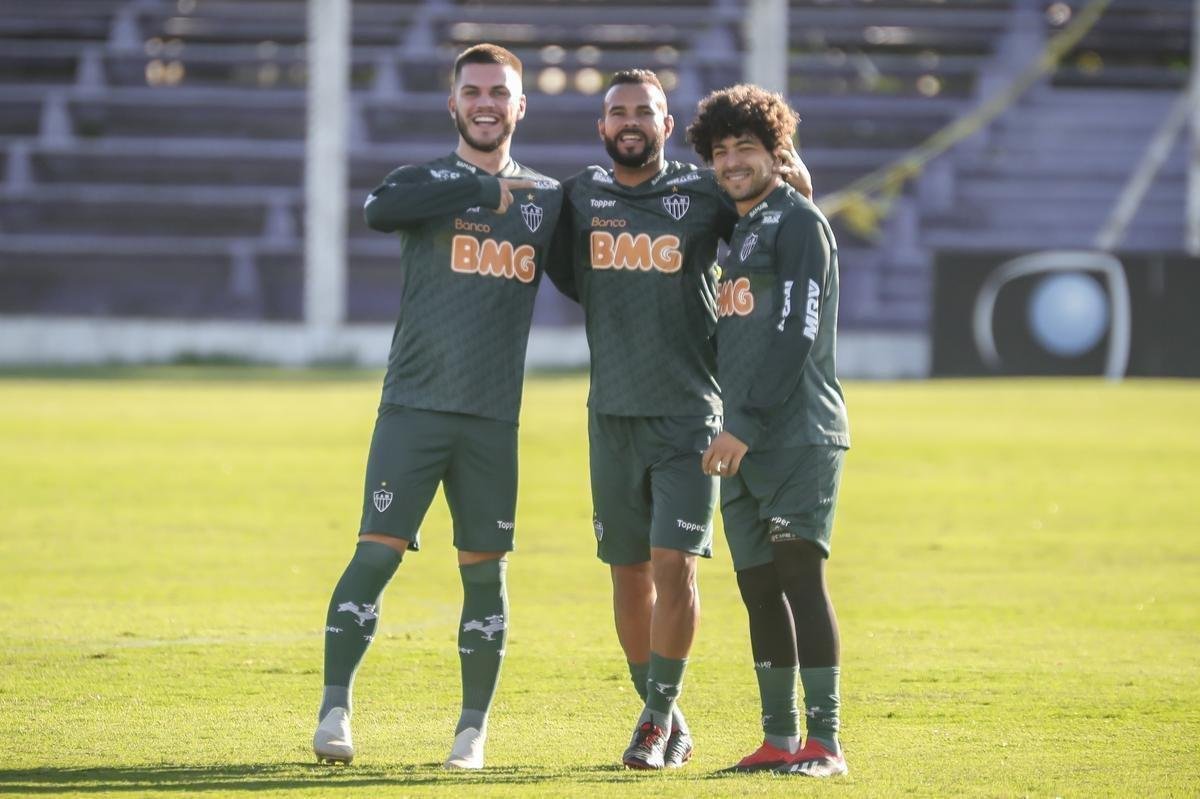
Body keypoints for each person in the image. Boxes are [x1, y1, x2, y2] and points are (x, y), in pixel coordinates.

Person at [546, 70, 811, 770]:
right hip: (609, 417)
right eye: (617, 112)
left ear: (668, 127)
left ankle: (656, 720)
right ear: (602, 127)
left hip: (690, 415)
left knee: (675, 565)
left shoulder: (702, 192)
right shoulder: (580, 197)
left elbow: (773, 217)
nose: (630, 121)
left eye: (646, 111)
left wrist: (795, 177)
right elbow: (571, 277)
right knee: (627, 575)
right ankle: (664, 713)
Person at [311, 43, 561, 771]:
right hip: (414, 407)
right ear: (452, 104)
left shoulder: (548, 197)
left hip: (491, 419)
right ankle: (334, 710)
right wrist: (477, 192)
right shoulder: (424, 181)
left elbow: (595, 266)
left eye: (500, 92)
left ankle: (471, 731)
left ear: (521, 106)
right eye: (473, 91)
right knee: (375, 554)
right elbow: (377, 209)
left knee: (486, 572)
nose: (486, 103)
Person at [686, 83, 851, 778]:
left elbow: (797, 333)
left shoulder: (799, 222)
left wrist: (742, 425)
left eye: (745, 147)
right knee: (757, 588)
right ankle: (778, 739)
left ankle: (826, 744)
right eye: (720, 150)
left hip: (795, 435)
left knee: (798, 581)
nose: (731, 161)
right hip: (743, 442)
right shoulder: (745, 225)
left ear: (776, 153)